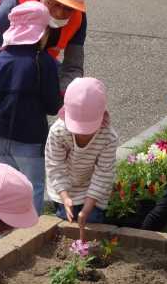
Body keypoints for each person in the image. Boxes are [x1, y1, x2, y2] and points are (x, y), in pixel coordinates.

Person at [0, 1, 63, 217]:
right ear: (42, 32)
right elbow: (52, 105)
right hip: (29, 137)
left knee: (5, 187)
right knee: (32, 187)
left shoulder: (1, 58)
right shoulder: (43, 61)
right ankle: (28, 233)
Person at [0, 0, 89, 102]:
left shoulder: (78, 17)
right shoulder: (13, 3)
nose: (59, 13)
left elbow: (73, 67)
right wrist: (2, 95)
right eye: (54, 3)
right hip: (2, 62)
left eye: (68, 8)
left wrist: (58, 97)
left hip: (42, 61)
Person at [45, 77, 118, 236]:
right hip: (63, 187)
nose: (82, 134)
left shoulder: (108, 137)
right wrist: (65, 197)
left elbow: (103, 174)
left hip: (93, 191)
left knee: (92, 223)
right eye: (78, 129)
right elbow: (54, 166)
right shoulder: (58, 131)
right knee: (67, 226)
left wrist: (87, 208)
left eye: (88, 129)